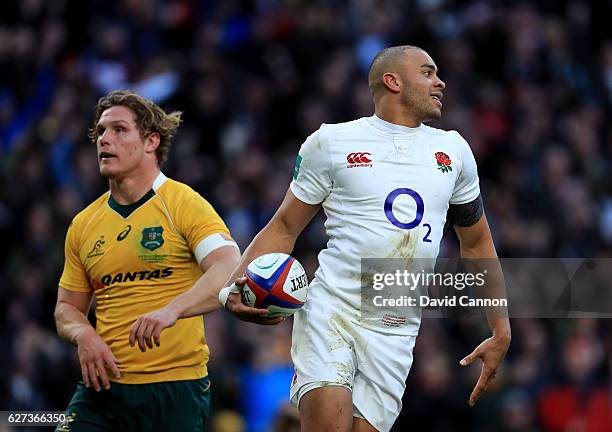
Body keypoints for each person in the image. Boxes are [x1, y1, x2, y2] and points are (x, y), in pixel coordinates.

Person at [218, 46, 512, 432]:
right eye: (427, 73)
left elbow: (475, 244)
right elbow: (284, 227)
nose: (440, 82)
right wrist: (232, 289)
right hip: (332, 310)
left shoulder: (454, 152)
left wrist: (501, 327)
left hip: (396, 326)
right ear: (393, 81)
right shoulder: (331, 143)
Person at [54, 90, 240, 431]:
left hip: (174, 389)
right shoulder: (83, 224)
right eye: (101, 131)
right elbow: (66, 308)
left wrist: (173, 310)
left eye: (119, 130)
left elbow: (228, 267)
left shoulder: (182, 202)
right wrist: (84, 335)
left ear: (151, 141)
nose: (104, 139)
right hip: (102, 391)